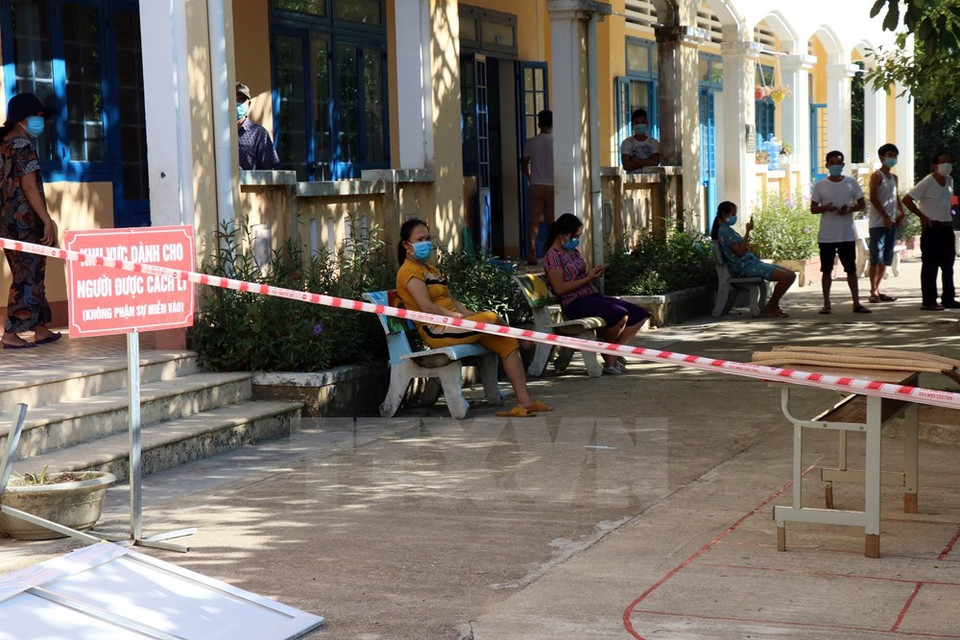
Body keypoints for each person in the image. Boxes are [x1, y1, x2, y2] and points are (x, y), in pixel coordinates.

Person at [395, 218, 551, 418]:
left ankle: (525, 401)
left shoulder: (431, 270)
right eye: (420, 239)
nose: (426, 243)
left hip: (454, 324)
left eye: (428, 238)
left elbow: (453, 301)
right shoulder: (408, 272)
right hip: (437, 330)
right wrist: (457, 317)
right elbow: (427, 306)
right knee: (492, 317)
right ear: (406, 245)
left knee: (506, 341)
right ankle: (521, 337)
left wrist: (470, 316)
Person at [543, 213, 650, 375]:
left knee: (640, 315)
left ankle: (611, 353)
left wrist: (592, 275)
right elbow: (560, 289)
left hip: (591, 296)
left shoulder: (573, 252)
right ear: (563, 234)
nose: (577, 239)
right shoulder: (553, 256)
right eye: (575, 235)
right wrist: (588, 279)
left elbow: (580, 276)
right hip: (574, 303)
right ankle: (610, 359)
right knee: (619, 315)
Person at [0, 92, 61, 349]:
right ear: (22, 118)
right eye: (37, 116)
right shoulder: (22, 147)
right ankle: (11, 333)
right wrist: (47, 220)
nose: (40, 121)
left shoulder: (3, 144)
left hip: (7, 221)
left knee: (29, 272)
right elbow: (29, 186)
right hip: (25, 222)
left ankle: (40, 328)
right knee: (28, 275)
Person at [711, 201, 796, 318]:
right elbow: (739, 252)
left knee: (790, 275)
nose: (735, 216)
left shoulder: (726, 230)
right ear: (724, 213)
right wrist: (747, 232)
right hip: (744, 267)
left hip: (750, 263)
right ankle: (772, 306)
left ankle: (772, 305)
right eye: (733, 213)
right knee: (785, 276)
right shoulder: (724, 231)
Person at [810, 150, 870, 315]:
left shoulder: (851, 183)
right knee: (826, 270)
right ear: (827, 165)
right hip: (827, 236)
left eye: (839, 162)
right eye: (832, 163)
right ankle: (826, 303)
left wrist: (849, 209)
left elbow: (861, 204)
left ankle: (856, 303)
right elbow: (813, 209)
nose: (836, 165)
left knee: (851, 269)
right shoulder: (820, 185)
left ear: (843, 165)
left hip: (846, 234)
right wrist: (825, 207)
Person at [902, 150, 959, 311]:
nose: (947, 164)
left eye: (949, 161)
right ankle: (929, 300)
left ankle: (948, 298)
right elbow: (907, 199)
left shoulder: (949, 180)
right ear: (934, 165)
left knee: (948, 265)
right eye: (943, 162)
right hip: (932, 228)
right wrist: (922, 216)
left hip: (947, 226)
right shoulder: (927, 181)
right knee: (930, 266)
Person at [866, 143, 905, 304]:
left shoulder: (894, 178)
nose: (893, 158)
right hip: (878, 223)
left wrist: (900, 212)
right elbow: (873, 198)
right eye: (890, 155)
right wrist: (885, 217)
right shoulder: (877, 176)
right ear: (882, 157)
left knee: (886, 257)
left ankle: (878, 288)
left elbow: (896, 199)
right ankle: (872, 290)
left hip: (891, 223)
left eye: (895, 155)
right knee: (877, 257)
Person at [520, 110, 554, 265]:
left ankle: (532, 249)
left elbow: (524, 162)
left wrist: (529, 175)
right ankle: (550, 252)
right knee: (551, 222)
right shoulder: (556, 141)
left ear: (539, 123)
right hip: (553, 185)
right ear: (553, 124)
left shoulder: (532, 142)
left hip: (536, 185)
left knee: (534, 221)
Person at [236, 82, 280, 171]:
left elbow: (268, 170)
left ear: (249, 104)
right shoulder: (218, 132)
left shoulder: (259, 133)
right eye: (234, 99)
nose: (237, 104)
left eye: (241, 100)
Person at [620, 108, 660, 173]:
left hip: (651, 182)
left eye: (643, 122)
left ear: (647, 123)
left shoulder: (654, 143)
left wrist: (635, 161)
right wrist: (647, 162)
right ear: (632, 125)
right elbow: (626, 166)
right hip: (631, 182)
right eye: (637, 123)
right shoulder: (626, 143)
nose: (640, 125)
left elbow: (655, 163)